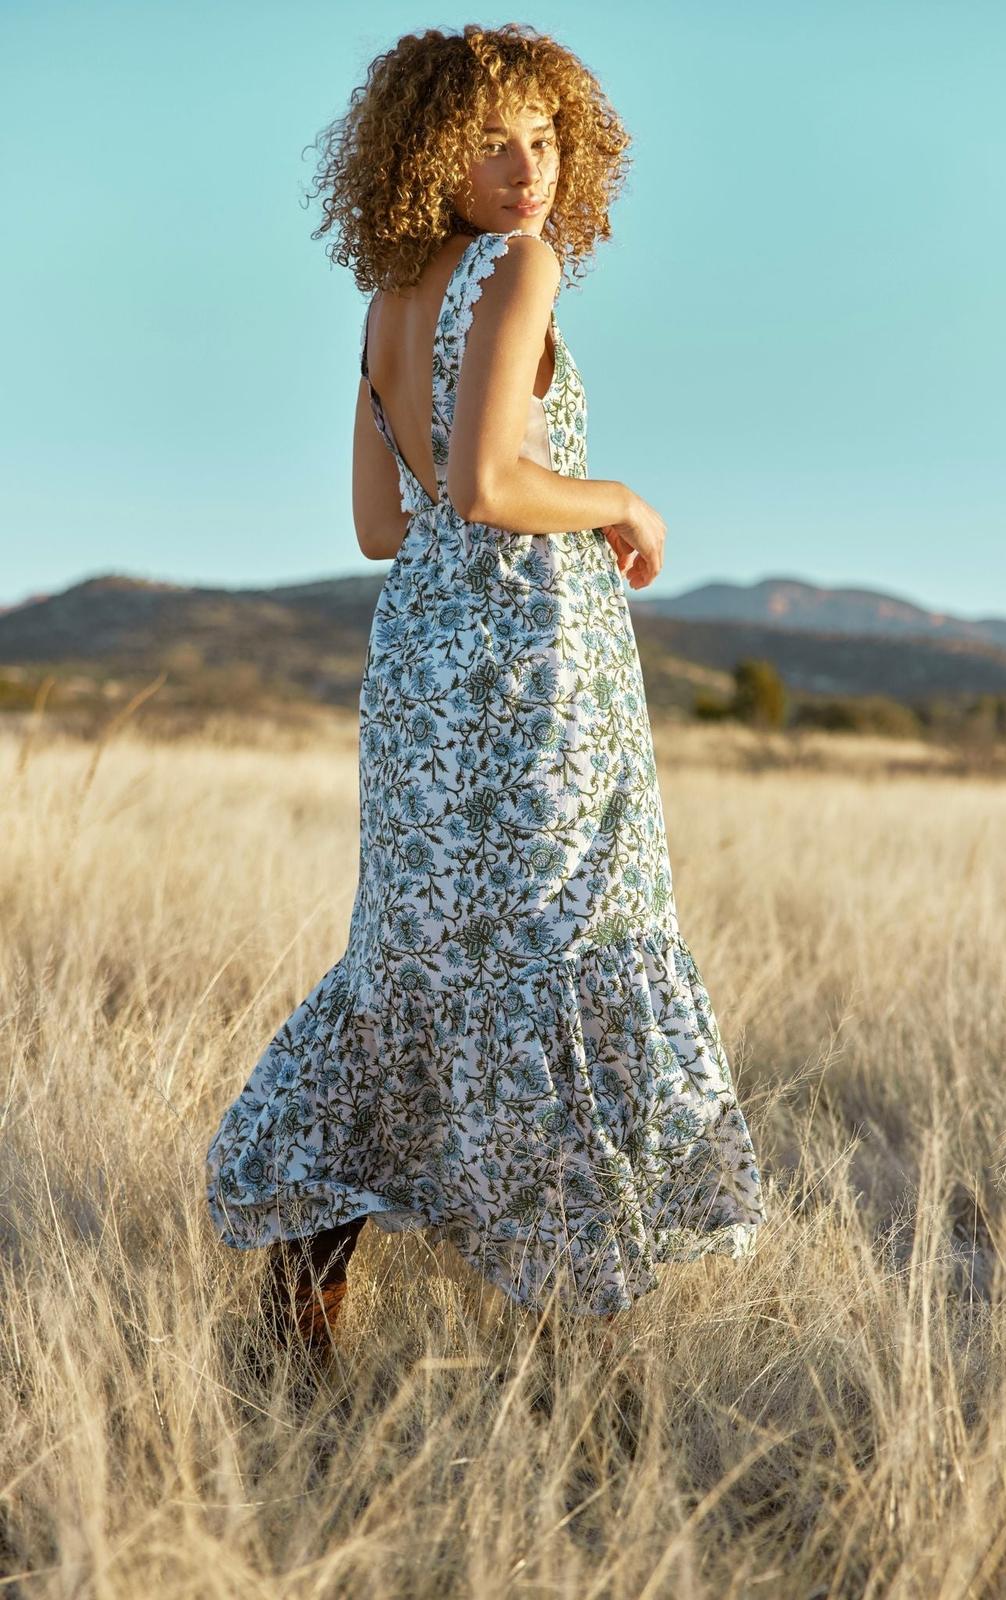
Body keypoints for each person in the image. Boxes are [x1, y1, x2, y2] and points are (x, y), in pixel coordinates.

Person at [204, 22, 767, 1370]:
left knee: (418, 972)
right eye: (492, 141)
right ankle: (574, 1372)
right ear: (428, 153)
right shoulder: (520, 267)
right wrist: (621, 498)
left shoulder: (391, 298)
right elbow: (488, 489)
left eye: (546, 139)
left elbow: (378, 527)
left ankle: (300, 1327)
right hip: (527, 675)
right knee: (555, 958)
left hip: (419, 676)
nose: (527, 170)